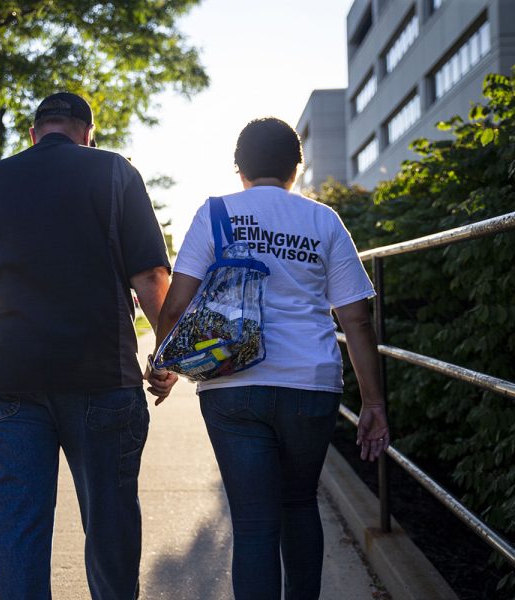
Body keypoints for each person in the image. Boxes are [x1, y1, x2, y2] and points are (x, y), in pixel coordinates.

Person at [146, 117, 390, 600]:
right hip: (312, 384)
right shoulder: (323, 220)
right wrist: (374, 404)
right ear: (296, 168)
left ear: (239, 168)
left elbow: (175, 305)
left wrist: (165, 364)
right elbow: (357, 319)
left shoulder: (214, 213)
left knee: (255, 525)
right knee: (300, 504)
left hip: (231, 388)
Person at [0, 92, 171, 600]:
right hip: (102, 377)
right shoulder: (116, 172)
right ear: (87, 134)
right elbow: (149, 275)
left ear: (34, 134)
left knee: (15, 533)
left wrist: (10, 328)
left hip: (10, 383)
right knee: (111, 526)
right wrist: (167, 353)